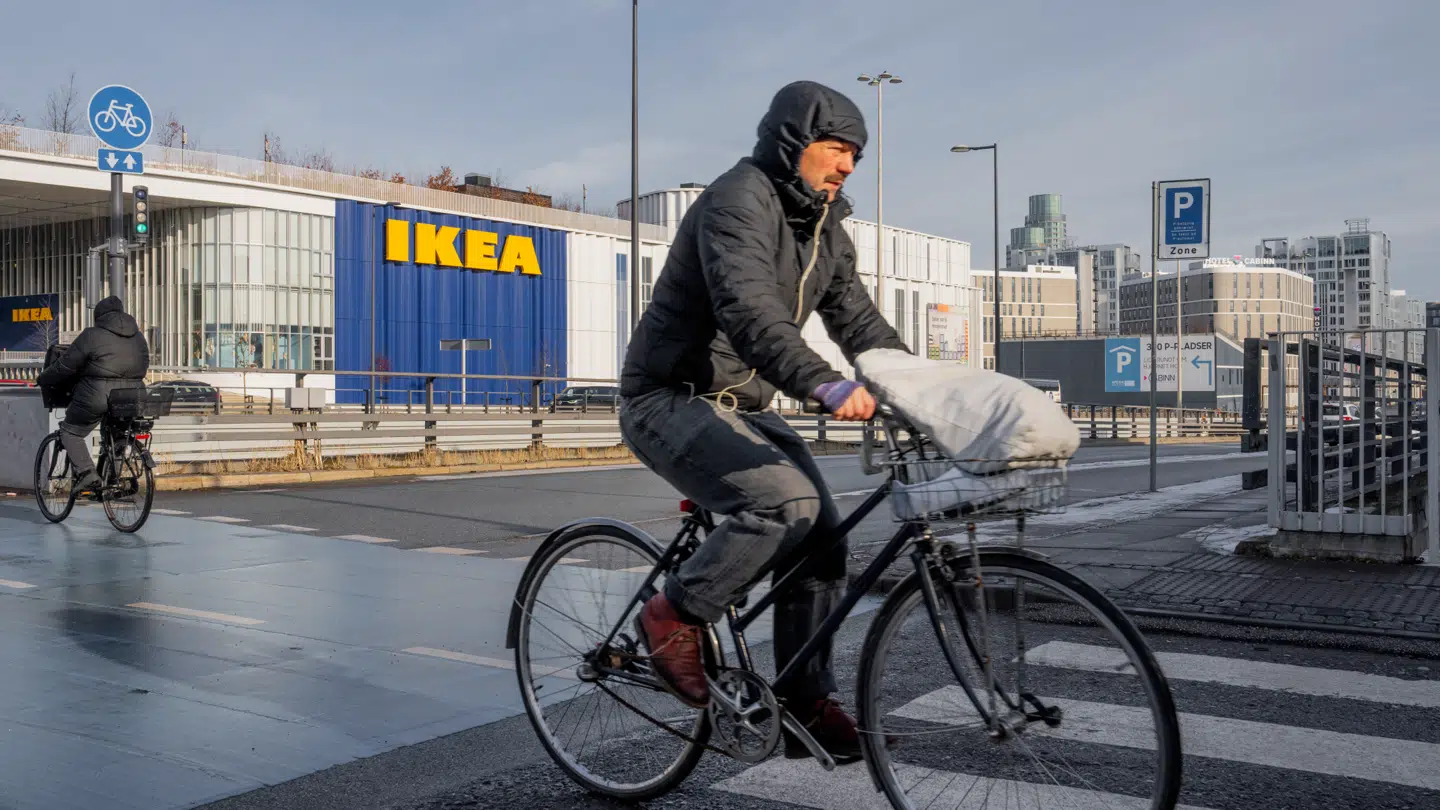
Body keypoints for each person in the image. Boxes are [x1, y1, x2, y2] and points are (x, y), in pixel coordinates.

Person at [618, 80, 908, 762]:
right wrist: (824, 383)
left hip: (744, 407)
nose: (847, 165)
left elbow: (862, 325)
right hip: (670, 396)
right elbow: (750, 313)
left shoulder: (825, 230)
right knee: (786, 503)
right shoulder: (737, 201)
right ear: (792, 141)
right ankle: (673, 613)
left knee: (825, 538)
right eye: (836, 148)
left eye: (856, 155)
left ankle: (804, 703)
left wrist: (923, 391)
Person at [37, 296, 150, 493]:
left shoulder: (91, 335)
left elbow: (66, 365)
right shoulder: (139, 337)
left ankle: (87, 473)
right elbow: (144, 365)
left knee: (70, 432)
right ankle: (112, 479)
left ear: (98, 316)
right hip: (133, 396)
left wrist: (43, 378)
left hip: (97, 395)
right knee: (116, 435)